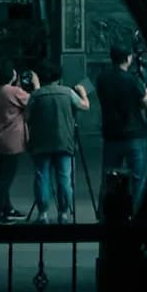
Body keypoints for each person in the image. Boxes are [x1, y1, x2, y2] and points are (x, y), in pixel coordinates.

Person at [24, 60, 90, 224]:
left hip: (40, 142)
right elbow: (85, 106)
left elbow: (26, 117)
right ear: (59, 76)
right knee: (64, 178)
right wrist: (83, 93)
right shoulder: (68, 93)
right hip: (64, 141)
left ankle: (43, 215)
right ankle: (64, 214)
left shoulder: (36, 95)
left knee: (42, 177)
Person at [96, 45, 147, 218]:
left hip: (111, 135)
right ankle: (136, 214)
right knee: (137, 179)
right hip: (134, 135)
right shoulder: (132, 80)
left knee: (108, 177)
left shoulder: (102, 79)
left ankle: (104, 214)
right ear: (128, 58)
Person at [0, 61, 32, 222]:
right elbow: (33, 101)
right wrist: (35, 84)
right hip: (12, 141)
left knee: (0, 177)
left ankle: (7, 208)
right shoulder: (14, 92)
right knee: (6, 179)